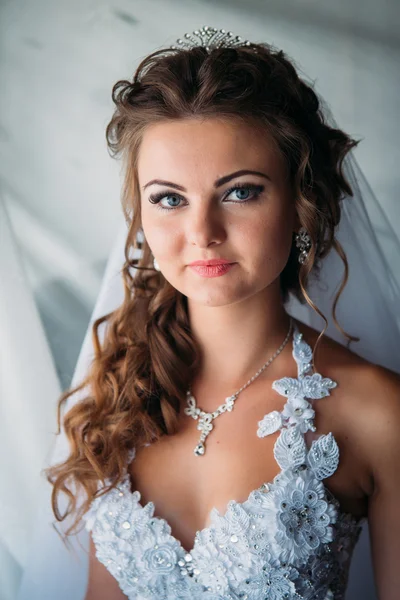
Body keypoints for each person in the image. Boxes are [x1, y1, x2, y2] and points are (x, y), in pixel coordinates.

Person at [43, 26, 400, 600]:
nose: (202, 233)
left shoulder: (378, 413)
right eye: (169, 198)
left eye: (240, 192)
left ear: (300, 204)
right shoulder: (116, 394)